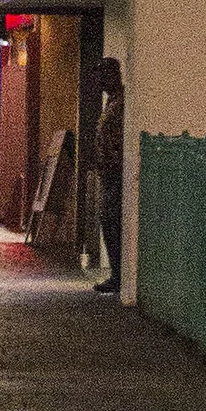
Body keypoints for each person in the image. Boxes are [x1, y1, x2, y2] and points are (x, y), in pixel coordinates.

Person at [93, 56, 125, 294]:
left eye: (104, 74)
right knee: (108, 221)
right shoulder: (112, 103)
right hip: (109, 172)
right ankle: (117, 273)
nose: (101, 80)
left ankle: (119, 274)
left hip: (116, 172)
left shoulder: (121, 104)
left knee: (112, 222)